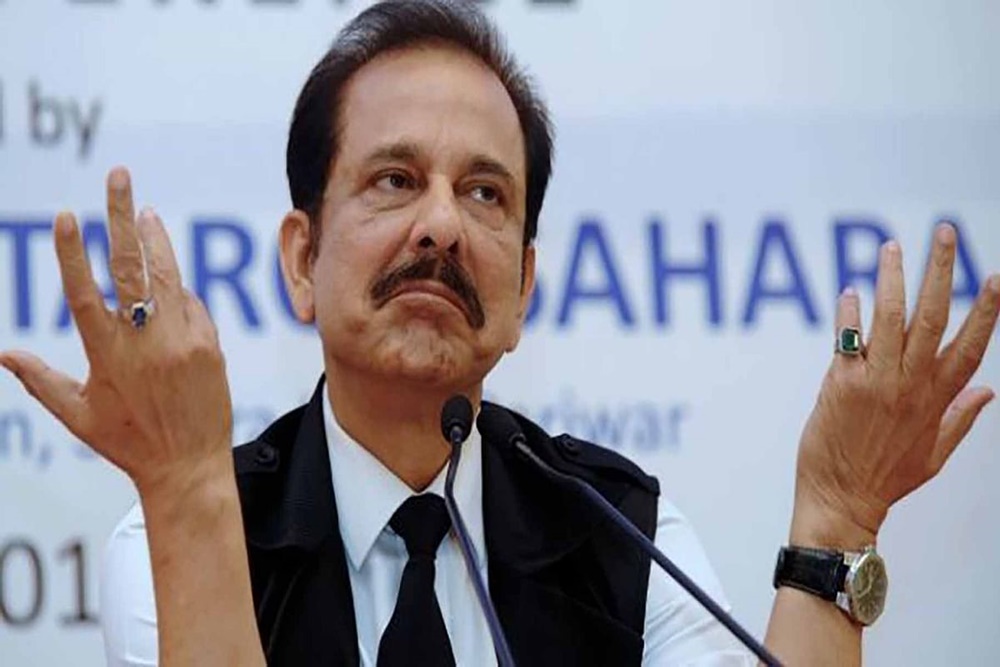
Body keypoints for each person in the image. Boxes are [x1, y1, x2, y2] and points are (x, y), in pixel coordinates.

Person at [2, 1, 998, 665]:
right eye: (395, 179)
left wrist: (835, 519)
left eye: (484, 192)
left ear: (521, 289)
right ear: (302, 260)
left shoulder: (623, 535)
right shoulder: (182, 536)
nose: (440, 226)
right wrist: (185, 488)